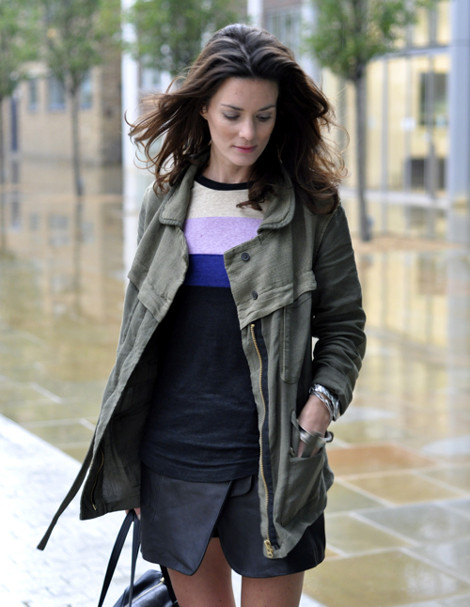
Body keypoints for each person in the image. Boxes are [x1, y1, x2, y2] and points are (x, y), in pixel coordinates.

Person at [39, 23, 366, 607]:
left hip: (274, 461)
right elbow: (138, 335)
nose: (248, 132)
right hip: (174, 457)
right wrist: (133, 460)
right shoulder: (166, 203)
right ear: (204, 109)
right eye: (233, 114)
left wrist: (319, 410)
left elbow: (344, 326)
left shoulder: (312, 209)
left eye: (264, 116)